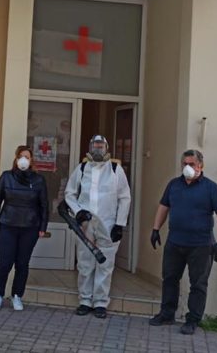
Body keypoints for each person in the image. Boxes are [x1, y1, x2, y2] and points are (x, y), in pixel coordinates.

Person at [148, 149, 217, 335]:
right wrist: (155, 229)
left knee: (198, 284)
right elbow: (164, 206)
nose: (187, 167)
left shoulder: (211, 188)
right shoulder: (173, 185)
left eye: (191, 164)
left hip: (201, 245)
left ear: (200, 166)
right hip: (175, 242)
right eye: (184, 164)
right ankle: (167, 314)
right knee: (170, 278)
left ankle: (193, 320)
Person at [64, 135, 131, 318]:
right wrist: (78, 211)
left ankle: (101, 302)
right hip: (86, 224)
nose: (98, 149)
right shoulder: (82, 168)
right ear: (90, 147)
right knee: (85, 263)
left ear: (107, 148)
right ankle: (85, 300)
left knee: (105, 264)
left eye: (101, 146)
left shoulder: (115, 170)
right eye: (95, 145)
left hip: (108, 224)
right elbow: (70, 193)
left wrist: (119, 224)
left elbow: (124, 198)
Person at [0, 145, 49, 311]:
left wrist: (43, 226)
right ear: (16, 159)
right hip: (7, 225)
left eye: (27, 157)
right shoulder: (6, 177)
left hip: (29, 227)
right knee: (5, 262)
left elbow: (44, 205)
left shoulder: (38, 180)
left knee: (22, 264)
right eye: (21, 156)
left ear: (31, 160)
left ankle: (17, 296)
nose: (24, 160)